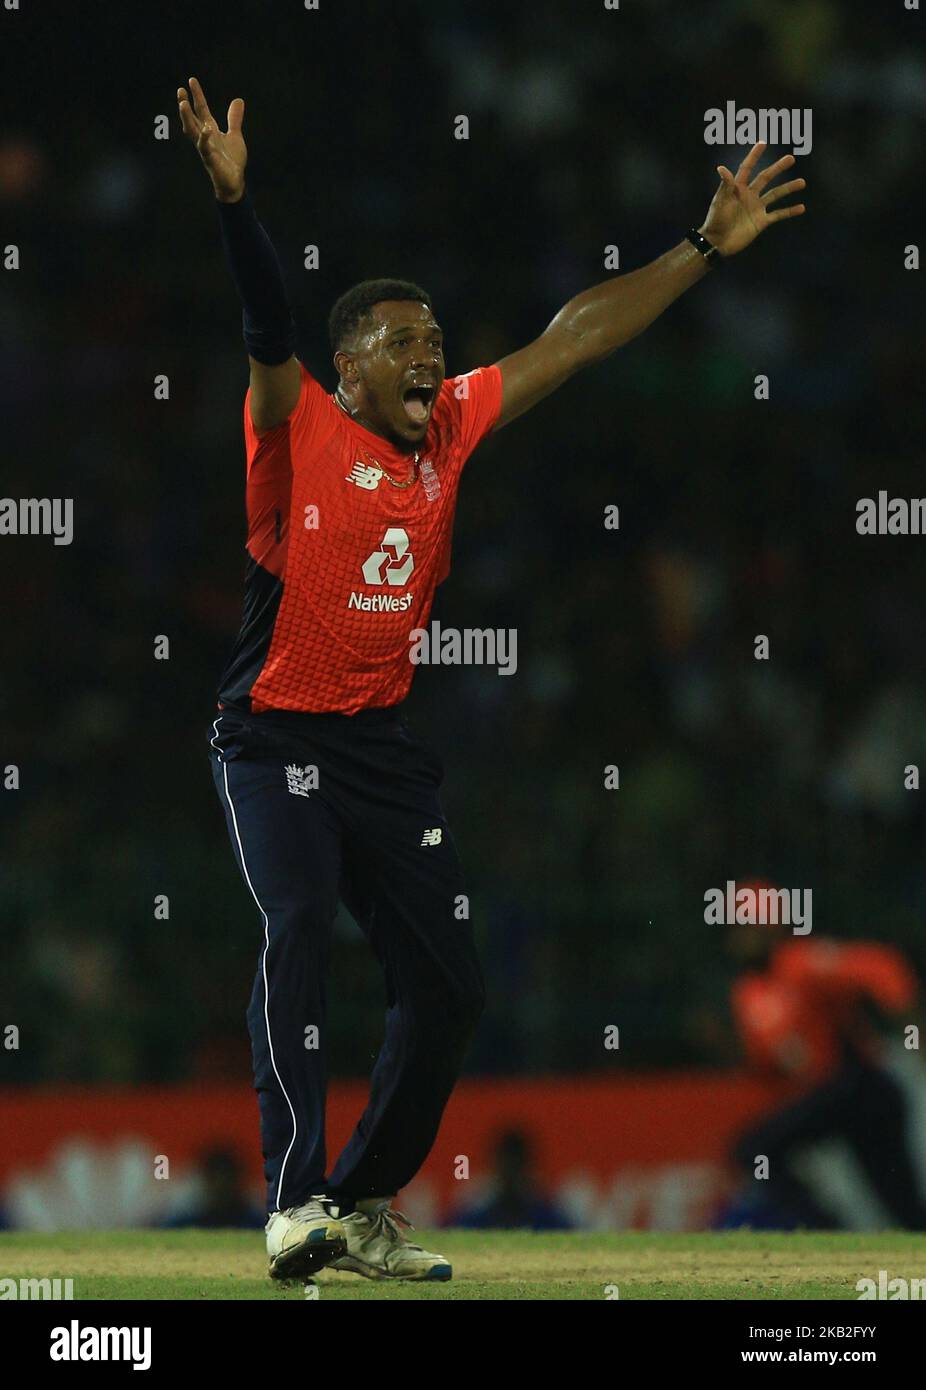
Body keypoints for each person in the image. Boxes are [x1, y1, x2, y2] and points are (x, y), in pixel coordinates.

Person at [177, 74, 807, 1282]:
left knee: (451, 989)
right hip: (269, 734)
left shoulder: (451, 426)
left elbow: (575, 334)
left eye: (435, 340)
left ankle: (360, 1201)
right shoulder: (295, 423)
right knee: (297, 922)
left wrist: (699, 248)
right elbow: (265, 326)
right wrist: (235, 207)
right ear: (348, 369)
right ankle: (295, 1198)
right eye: (403, 343)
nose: (433, 356)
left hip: (376, 743)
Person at [728, 916, 926, 1230]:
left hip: (860, 1089)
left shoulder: (801, 961)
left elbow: (880, 966)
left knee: (903, 1207)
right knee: (755, 1150)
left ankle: (832, 1232)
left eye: (747, 928)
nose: (740, 937)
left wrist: (914, 1029)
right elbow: (770, 1068)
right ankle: (829, 1231)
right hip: (826, 1101)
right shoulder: (747, 993)